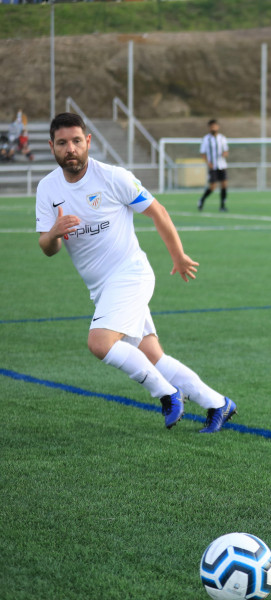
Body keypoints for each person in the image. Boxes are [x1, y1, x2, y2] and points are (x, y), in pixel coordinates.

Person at [35, 112, 237, 433]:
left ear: (88, 142)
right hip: (101, 288)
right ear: (52, 146)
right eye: (62, 143)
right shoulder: (47, 189)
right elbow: (48, 248)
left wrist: (179, 256)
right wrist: (54, 233)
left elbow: (158, 212)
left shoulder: (113, 177)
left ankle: (168, 394)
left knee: (100, 343)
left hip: (131, 275)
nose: (70, 148)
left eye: (76, 141)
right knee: (152, 355)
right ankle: (218, 403)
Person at [198, 119, 229, 212]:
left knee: (224, 184)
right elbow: (203, 153)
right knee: (213, 186)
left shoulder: (222, 138)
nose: (213, 128)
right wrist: (208, 163)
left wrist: (224, 154)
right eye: (211, 126)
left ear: (218, 127)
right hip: (213, 166)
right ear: (209, 128)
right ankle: (202, 199)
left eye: (214, 126)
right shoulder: (206, 139)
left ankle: (222, 205)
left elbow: (226, 151)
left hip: (222, 165)